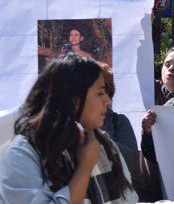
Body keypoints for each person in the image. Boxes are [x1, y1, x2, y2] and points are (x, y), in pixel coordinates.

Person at [0, 53, 137, 203]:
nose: (108, 101)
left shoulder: (103, 143)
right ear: (72, 99)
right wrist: (84, 168)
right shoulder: (21, 154)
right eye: (100, 93)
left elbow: (129, 200)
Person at [97, 61, 139, 181]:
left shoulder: (119, 121)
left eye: (100, 92)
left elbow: (130, 160)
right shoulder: (69, 125)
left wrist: (98, 136)